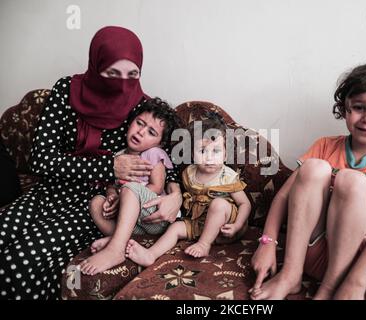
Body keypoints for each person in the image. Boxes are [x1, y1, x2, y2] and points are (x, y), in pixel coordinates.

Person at [0, 26, 182, 300]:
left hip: (96, 204)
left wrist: (176, 195)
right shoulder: (66, 91)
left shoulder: (139, 107)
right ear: (96, 66)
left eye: (132, 75)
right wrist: (110, 166)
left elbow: (172, 160)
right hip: (49, 190)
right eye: (112, 73)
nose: (122, 84)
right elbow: (40, 159)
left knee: (20, 258)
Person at [249, 61, 366, 300]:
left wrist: (356, 284)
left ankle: (330, 290)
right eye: (359, 107)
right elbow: (282, 197)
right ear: (344, 109)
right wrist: (267, 243)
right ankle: (291, 275)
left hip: (357, 264)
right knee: (314, 168)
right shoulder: (324, 146)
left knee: (351, 181)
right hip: (311, 252)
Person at [125, 116, 251, 266]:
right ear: (192, 154)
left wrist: (237, 225)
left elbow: (245, 204)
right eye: (202, 151)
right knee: (175, 228)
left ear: (225, 155)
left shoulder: (227, 177)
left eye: (216, 151)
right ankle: (151, 254)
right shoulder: (189, 173)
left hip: (226, 227)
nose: (209, 157)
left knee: (218, 204)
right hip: (199, 223)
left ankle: (204, 245)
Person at [80, 99, 180, 275]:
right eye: (139, 123)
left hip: (153, 214)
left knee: (130, 188)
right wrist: (112, 197)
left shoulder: (154, 154)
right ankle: (121, 239)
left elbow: (157, 186)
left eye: (151, 132)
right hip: (131, 222)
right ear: (131, 122)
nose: (141, 132)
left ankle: (115, 250)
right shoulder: (118, 157)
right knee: (95, 202)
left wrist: (127, 196)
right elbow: (112, 185)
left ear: (160, 143)